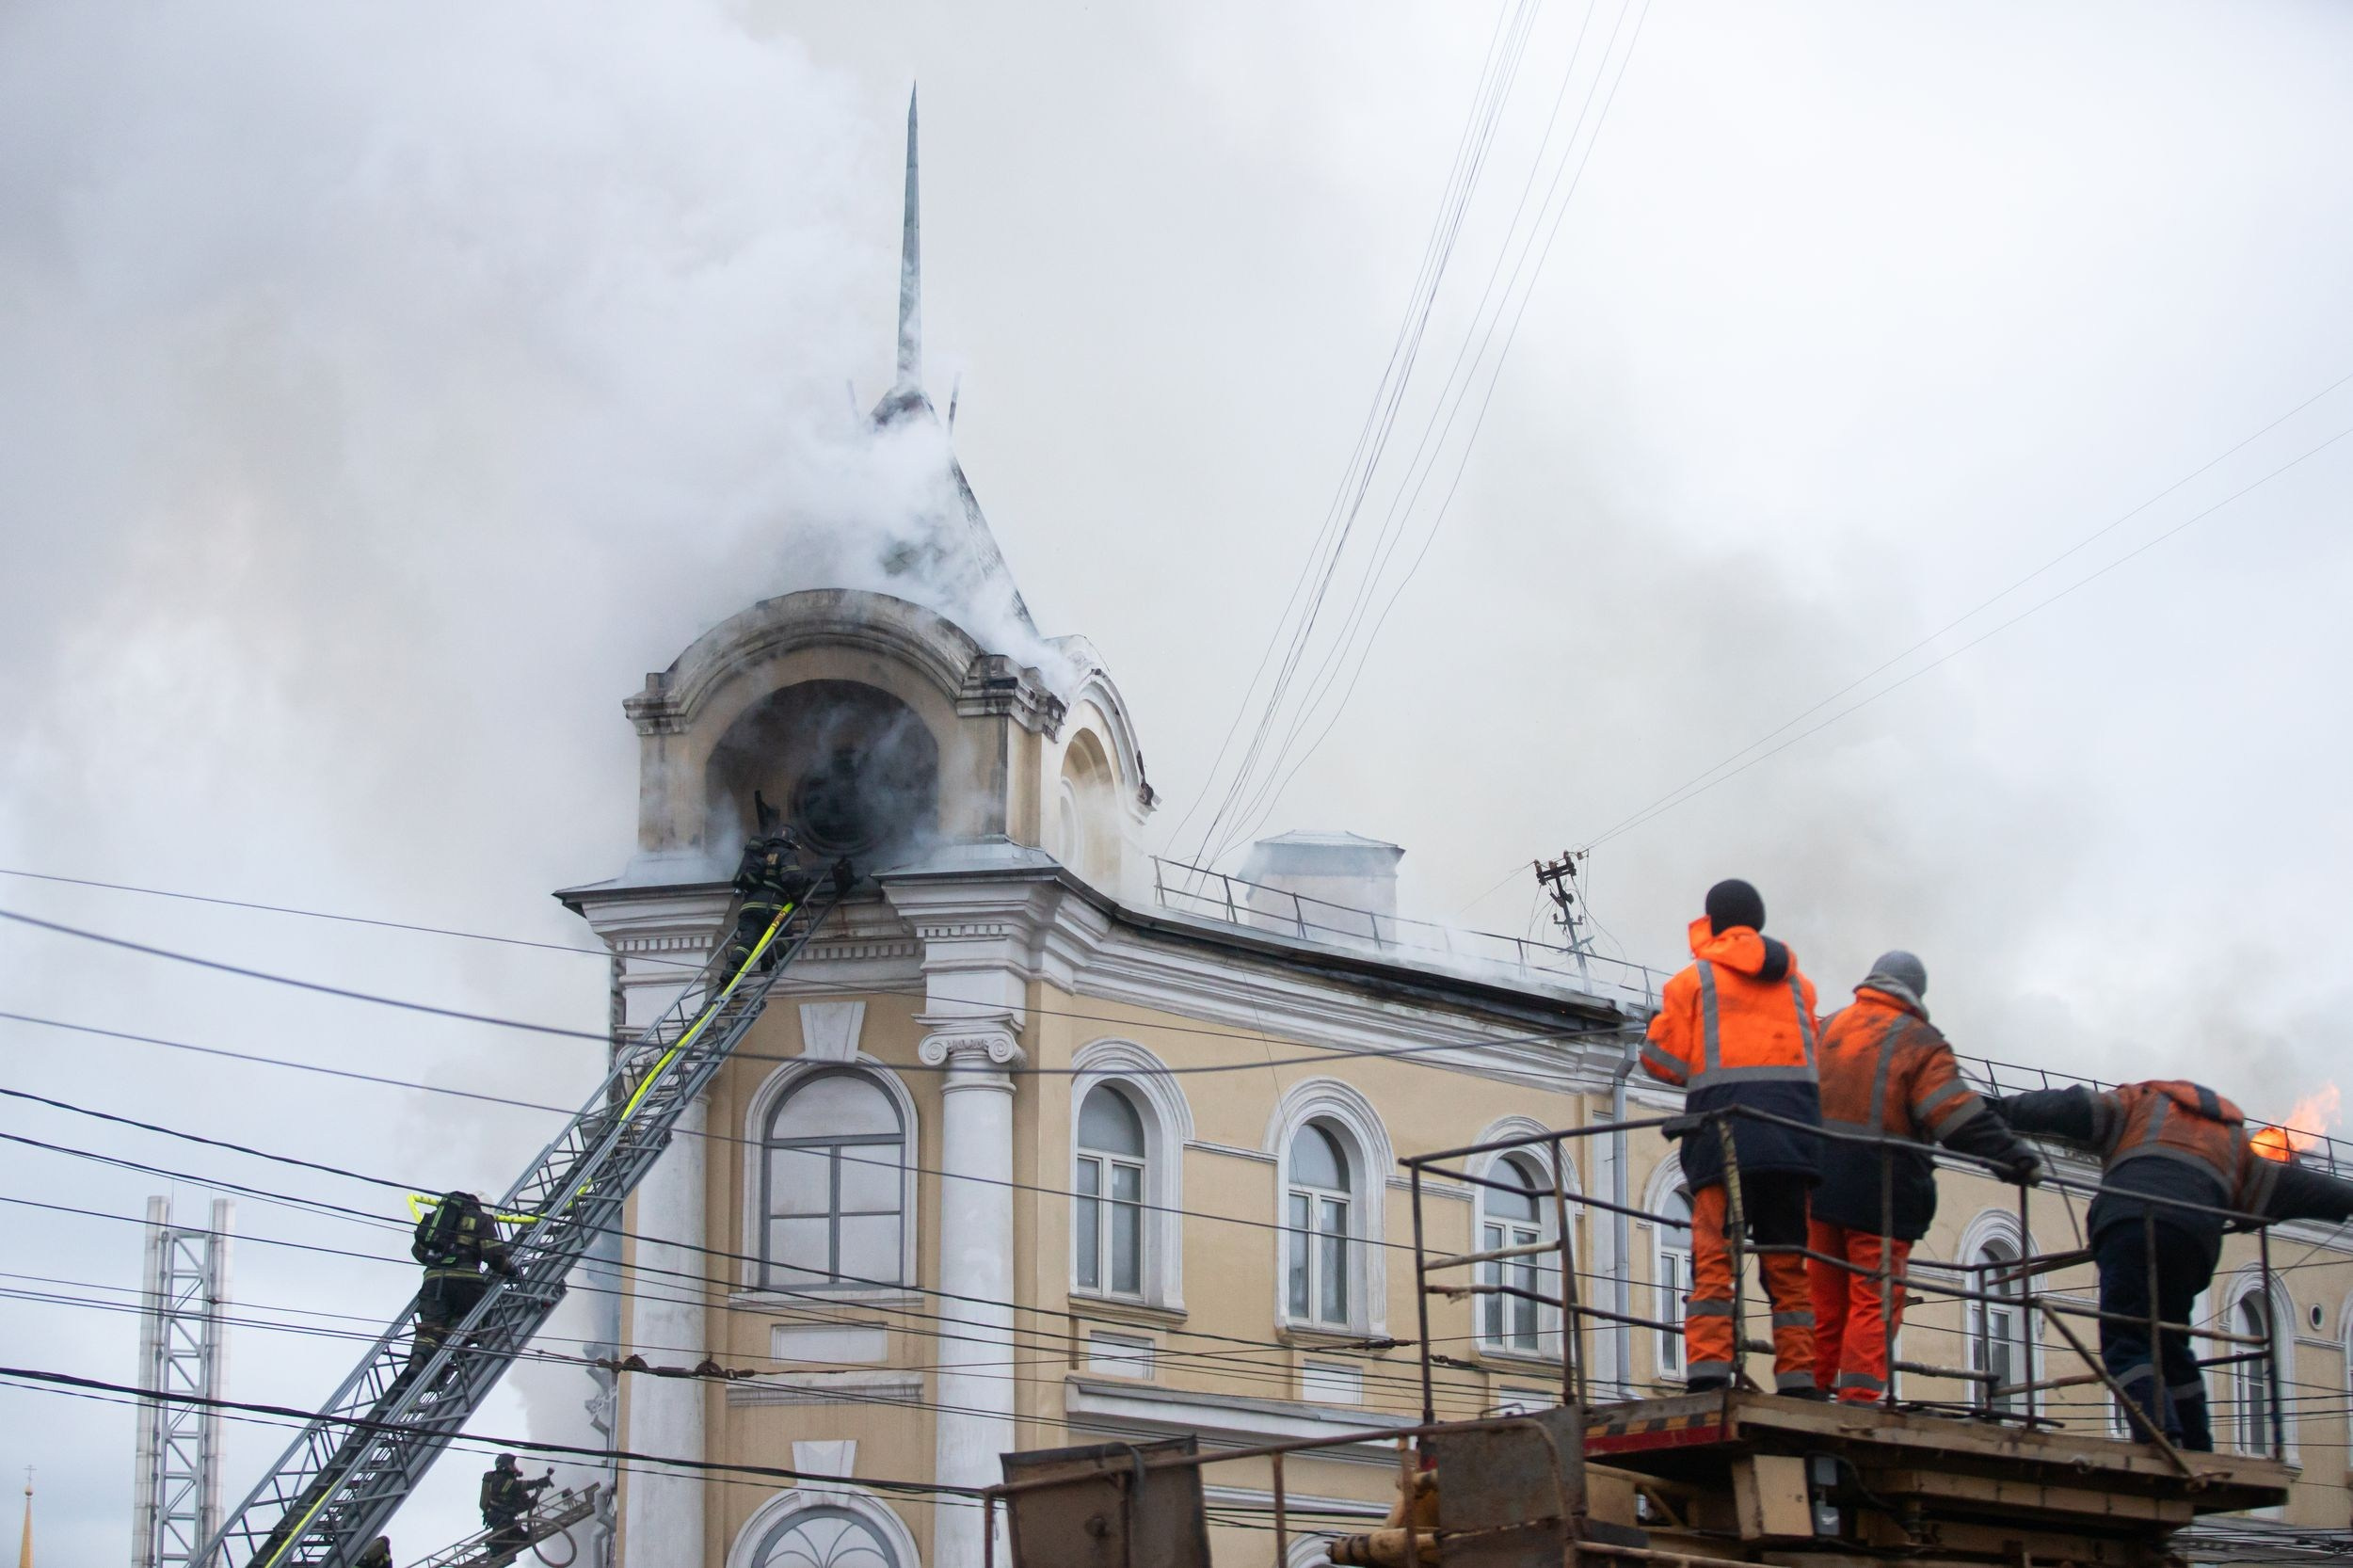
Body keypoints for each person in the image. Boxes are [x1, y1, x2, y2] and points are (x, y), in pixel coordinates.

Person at [1990, 1080, 2353, 1450]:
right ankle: (2196, 1444)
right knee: (2170, 1342)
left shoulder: (2140, 1104)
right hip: (2193, 1241)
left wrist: (1992, 1111)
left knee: (2127, 1338)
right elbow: (2299, 1187)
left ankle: (2159, 1432)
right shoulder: (2232, 1141)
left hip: (2128, 1224)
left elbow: (2067, 1107)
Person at [1806, 952, 2041, 1404]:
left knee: (1824, 1298)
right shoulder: (1918, 1041)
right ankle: (1858, 1400)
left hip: (1817, 1186)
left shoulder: (1827, 1028)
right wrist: (2013, 1157)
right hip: (1880, 1196)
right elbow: (1955, 1116)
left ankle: (1810, 1391)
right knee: (1874, 1299)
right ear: (1916, 991)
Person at [1639, 879, 1825, 1395]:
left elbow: (1663, 1063)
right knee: (1788, 1266)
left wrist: (1654, 1031)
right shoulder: (1800, 987)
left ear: (1712, 923)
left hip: (1722, 1141)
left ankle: (1707, 1372)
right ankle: (1799, 1378)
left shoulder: (1691, 982)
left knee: (1713, 1260)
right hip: (1790, 1145)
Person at [406, 1191, 516, 1377]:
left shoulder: (437, 1217)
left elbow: (418, 1251)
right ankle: (452, 1356)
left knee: (431, 1325)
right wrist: (511, 1270)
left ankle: (418, 1360)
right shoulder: (481, 1219)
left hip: (433, 1281)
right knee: (475, 1319)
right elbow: (494, 1256)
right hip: (466, 1280)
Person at [724, 792, 815, 976]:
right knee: (785, 939)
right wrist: (798, 897)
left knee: (747, 942)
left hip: (748, 907)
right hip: (772, 906)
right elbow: (792, 877)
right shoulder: (785, 853)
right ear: (791, 841)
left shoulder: (759, 852)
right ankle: (768, 960)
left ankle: (731, 969)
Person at [480, 1454, 552, 1566]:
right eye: (512, 1464)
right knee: (502, 1532)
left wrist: (530, 1503)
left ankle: (503, 1548)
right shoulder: (499, 1479)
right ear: (505, 1466)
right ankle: (494, 1546)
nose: (515, 1467)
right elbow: (517, 1486)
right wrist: (537, 1482)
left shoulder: (510, 1482)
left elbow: (521, 1499)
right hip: (495, 1514)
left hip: (507, 1518)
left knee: (523, 1538)